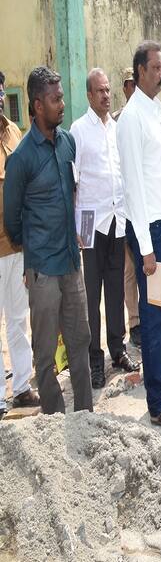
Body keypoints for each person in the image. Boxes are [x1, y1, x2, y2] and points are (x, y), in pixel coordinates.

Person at [4, 66, 92, 415]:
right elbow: (12, 221)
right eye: (56, 99)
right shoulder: (22, 158)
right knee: (44, 354)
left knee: (80, 341)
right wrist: (35, 252)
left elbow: (73, 192)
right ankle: (54, 422)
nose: (62, 105)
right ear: (38, 105)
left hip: (72, 263)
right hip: (42, 271)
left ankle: (86, 416)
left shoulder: (68, 142)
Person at [117, 41, 161, 428]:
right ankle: (157, 404)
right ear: (140, 71)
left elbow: (160, 178)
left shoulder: (153, 113)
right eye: (156, 67)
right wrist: (146, 251)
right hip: (149, 237)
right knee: (155, 317)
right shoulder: (131, 120)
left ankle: (158, 386)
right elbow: (134, 191)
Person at [70, 68, 140, 389]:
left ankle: (117, 349)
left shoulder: (116, 127)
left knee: (114, 291)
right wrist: (77, 230)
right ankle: (94, 359)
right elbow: (74, 183)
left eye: (108, 90)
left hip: (116, 220)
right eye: (100, 91)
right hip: (90, 223)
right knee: (91, 297)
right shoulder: (78, 130)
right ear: (89, 95)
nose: (106, 95)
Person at [0, 70, 39, 417]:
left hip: (15, 247)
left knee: (18, 319)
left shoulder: (13, 132)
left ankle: (22, 387)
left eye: (1, 91)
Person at [112, 67, 141, 348]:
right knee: (129, 271)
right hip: (123, 210)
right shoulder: (118, 121)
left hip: (145, 207)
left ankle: (152, 316)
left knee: (150, 267)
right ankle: (135, 322)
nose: (132, 89)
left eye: (136, 83)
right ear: (125, 89)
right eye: (128, 85)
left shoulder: (149, 116)